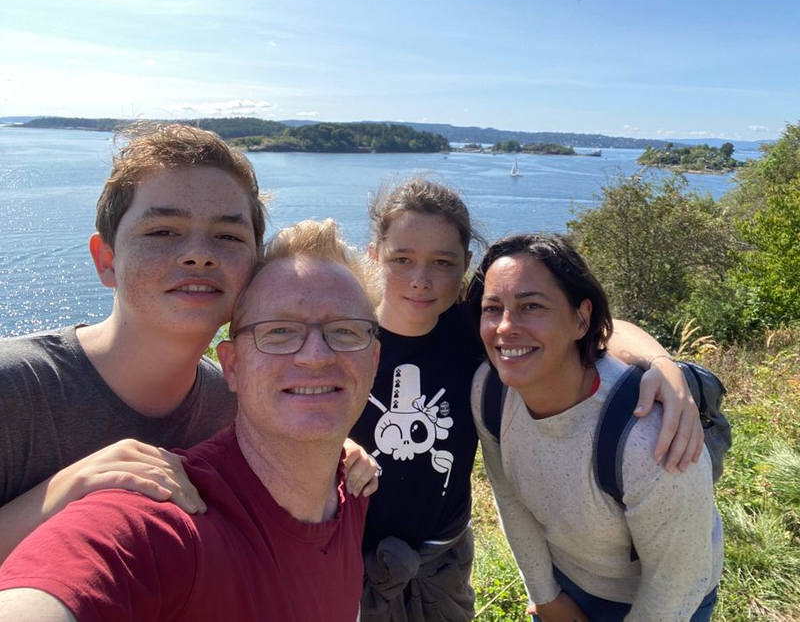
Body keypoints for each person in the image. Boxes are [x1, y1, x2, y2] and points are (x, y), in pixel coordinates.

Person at [0, 123, 376, 564]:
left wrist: (326, 449)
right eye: (163, 231)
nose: (199, 254)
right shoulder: (15, 390)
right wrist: (61, 492)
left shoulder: (236, 402)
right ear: (107, 260)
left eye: (228, 236)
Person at [351, 178, 705, 622]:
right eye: (401, 259)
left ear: (464, 266)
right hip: (349, 561)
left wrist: (663, 366)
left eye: (442, 262)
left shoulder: (472, 329)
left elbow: (596, 329)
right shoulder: (345, 335)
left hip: (441, 560)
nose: (421, 280)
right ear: (373, 256)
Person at [0, 219, 382, 621]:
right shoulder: (164, 520)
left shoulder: (352, 490)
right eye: (279, 332)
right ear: (232, 366)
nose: (316, 355)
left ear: (372, 360)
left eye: (345, 331)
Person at [470, 234, 722, 622]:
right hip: (566, 581)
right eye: (493, 308)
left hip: (663, 602)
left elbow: (676, 583)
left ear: (581, 318)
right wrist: (546, 596)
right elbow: (509, 496)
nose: (506, 327)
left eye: (531, 306)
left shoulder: (648, 435)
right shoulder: (490, 393)